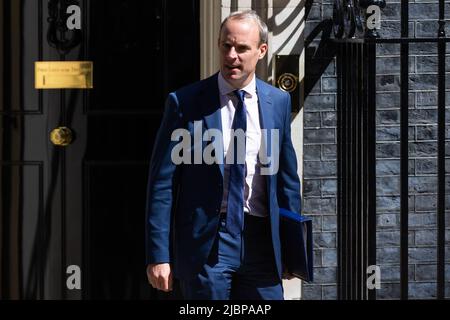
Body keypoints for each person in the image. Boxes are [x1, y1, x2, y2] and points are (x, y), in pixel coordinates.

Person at [145, 10, 301, 300]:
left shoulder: (278, 102)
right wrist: (159, 255)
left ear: (261, 51)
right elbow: (162, 185)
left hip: (262, 243)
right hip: (209, 244)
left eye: (242, 48)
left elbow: (287, 182)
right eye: (226, 46)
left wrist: (292, 249)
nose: (232, 56)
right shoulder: (186, 103)